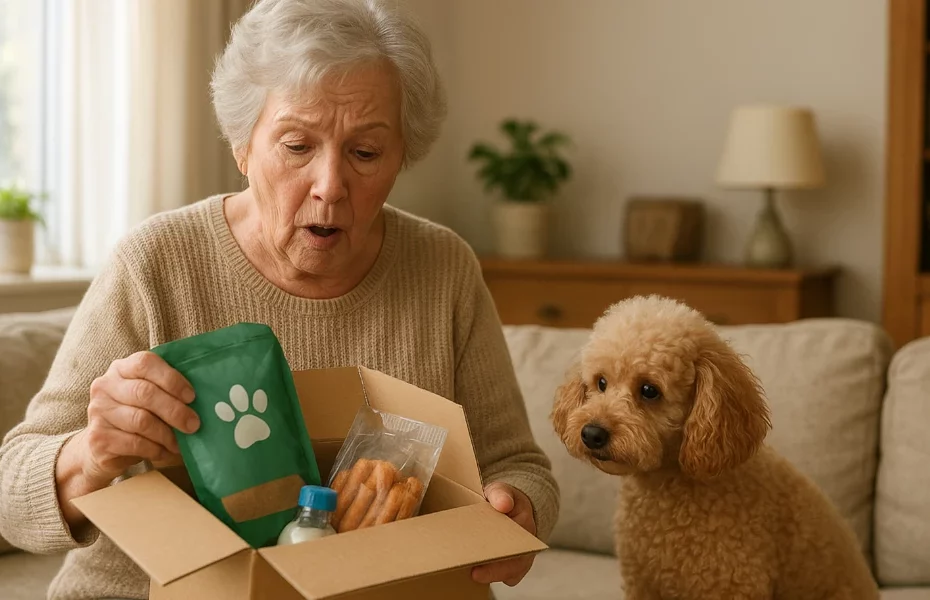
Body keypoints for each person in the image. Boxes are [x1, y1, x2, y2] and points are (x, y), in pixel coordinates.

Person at [0, 0, 560, 598]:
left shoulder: (444, 267)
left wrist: (516, 507)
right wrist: (90, 455)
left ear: (403, 155)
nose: (329, 186)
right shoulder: (156, 261)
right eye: (297, 146)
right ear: (242, 146)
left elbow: (519, 466)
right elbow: (12, 495)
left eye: (365, 153)